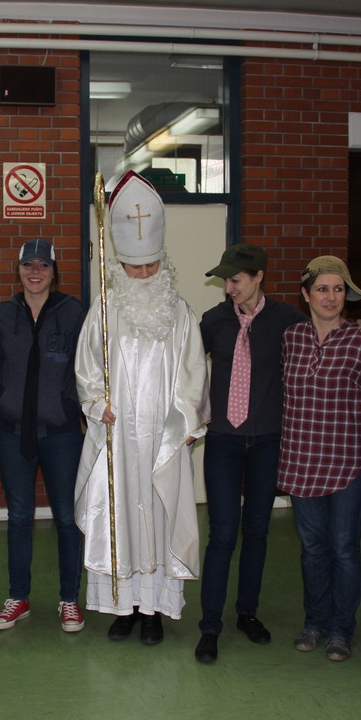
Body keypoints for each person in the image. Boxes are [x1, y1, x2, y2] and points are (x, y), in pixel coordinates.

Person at [74, 170, 210, 645]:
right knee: (121, 515)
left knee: (157, 513)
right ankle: (124, 606)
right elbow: (87, 365)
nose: (144, 275)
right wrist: (97, 403)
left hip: (162, 437)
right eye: (134, 267)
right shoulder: (104, 309)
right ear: (120, 264)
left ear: (162, 260)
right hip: (118, 436)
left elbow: (193, 371)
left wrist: (185, 421)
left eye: (151, 265)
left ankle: (153, 610)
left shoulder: (180, 312)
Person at [194, 243, 306, 663]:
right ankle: (210, 626)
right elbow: (184, 366)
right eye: (226, 280)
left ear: (259, 277)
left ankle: (247, 612)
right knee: (223, 532)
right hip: (223, 440)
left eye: (236, 280)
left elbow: (324, 337)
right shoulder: (214, 321)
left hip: (267, 440)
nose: (229, 287)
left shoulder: (286, 321)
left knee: (257, 530)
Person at [279, 255, 361, 664]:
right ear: (306, 294)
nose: (331, 296)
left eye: (338, 289)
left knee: (343, 547)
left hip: (347, 462)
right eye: (322, 289)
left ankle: (341, 629)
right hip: (301, 460)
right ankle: (315, 622)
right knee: (312, 548)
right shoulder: (291, 338)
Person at [0, 240, 87, 632]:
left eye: (43, 265)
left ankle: (69, 599)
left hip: (61, 433)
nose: (35, 271)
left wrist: (69, 405)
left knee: (66, 516)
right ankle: (19, 597)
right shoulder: (3, 314)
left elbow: (85, 363)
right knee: (18, 516)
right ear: (18, 269)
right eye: (28, 264)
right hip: (14, 432)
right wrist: (0, 395)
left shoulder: (73, 311)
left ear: (53, 271)